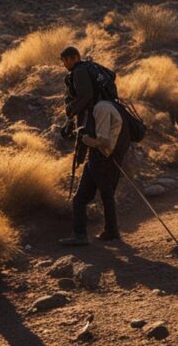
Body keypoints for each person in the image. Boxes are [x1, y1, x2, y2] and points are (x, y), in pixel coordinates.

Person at [59, 97, 131, 246]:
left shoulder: (101, 108)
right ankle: (111, 231)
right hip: (107, 159)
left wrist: (86, 140)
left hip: (102, 158)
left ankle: (81, 235)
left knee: (81, 199)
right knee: (106, 195)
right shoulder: (110, 105)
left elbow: (103, 140)